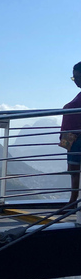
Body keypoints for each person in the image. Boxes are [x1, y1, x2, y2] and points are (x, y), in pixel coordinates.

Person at [61, 61, 81, 207]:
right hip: (73, 138)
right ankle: (73, 200)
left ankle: (73, 201)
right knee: (73, 170)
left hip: (77, 138)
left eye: (76, 77)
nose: (75, 81)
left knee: (75, 170)